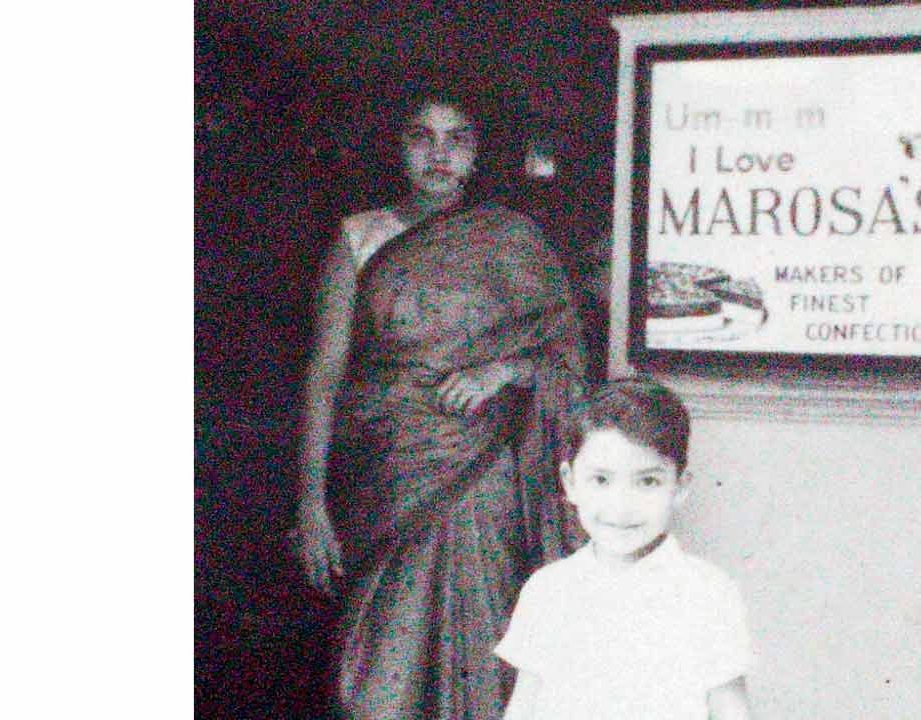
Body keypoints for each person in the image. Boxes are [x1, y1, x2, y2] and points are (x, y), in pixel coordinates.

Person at [292, 78, 586, 720]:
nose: (439, 154)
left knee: (480, 660)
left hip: (481, 477)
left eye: (457, 139)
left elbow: (567, 356)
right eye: (421, 136)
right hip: (386, 474)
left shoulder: (510, 239)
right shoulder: (358, 238)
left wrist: (503, 371)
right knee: (375, 687)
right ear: (398, 148)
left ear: (477, 154)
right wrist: (311, 502)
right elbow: (325, 371)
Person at [495, 377, 755, 720]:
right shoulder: (548, 589)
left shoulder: (708, 593)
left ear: (679, 487)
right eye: (601, 480)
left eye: (647, 481)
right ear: (570, 482)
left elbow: (731, 711)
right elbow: (524, 708)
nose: (621, 505)